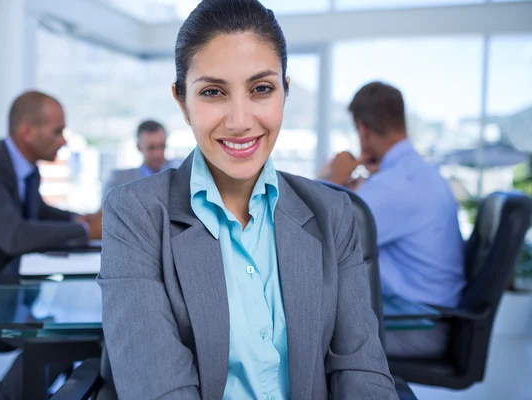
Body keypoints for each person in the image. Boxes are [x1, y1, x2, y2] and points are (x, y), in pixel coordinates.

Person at [98, 1, 397, 399]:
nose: (240, 121)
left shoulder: (334, 214)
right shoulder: (135, 215)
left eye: (261, 89)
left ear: (284, 92)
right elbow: (159, 389)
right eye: (212, 92)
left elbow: (361, 373)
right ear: (182, 101)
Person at [0, 90, 102, 398]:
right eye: (57, 131)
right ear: (27, 130)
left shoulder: (21, 168)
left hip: (3, 287)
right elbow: (14, 236)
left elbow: (39, 213)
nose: (63, 140)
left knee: (68, 327)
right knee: (58, 334)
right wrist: (85, 232)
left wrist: (81, 219)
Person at [319, 81, 466, 358]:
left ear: (362, 128)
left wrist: (332, 178)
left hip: (418, 325)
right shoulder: (416, 173)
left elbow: (318, 238)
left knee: (311, 337)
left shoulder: (394, 186)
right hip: (430, 315)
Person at [103, 119, 173, 195]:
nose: (157, 153)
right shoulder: (119, 182)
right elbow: (105, 206)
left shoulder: (181, 175)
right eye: (151, 148)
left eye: (162, 146)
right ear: (139, 147)